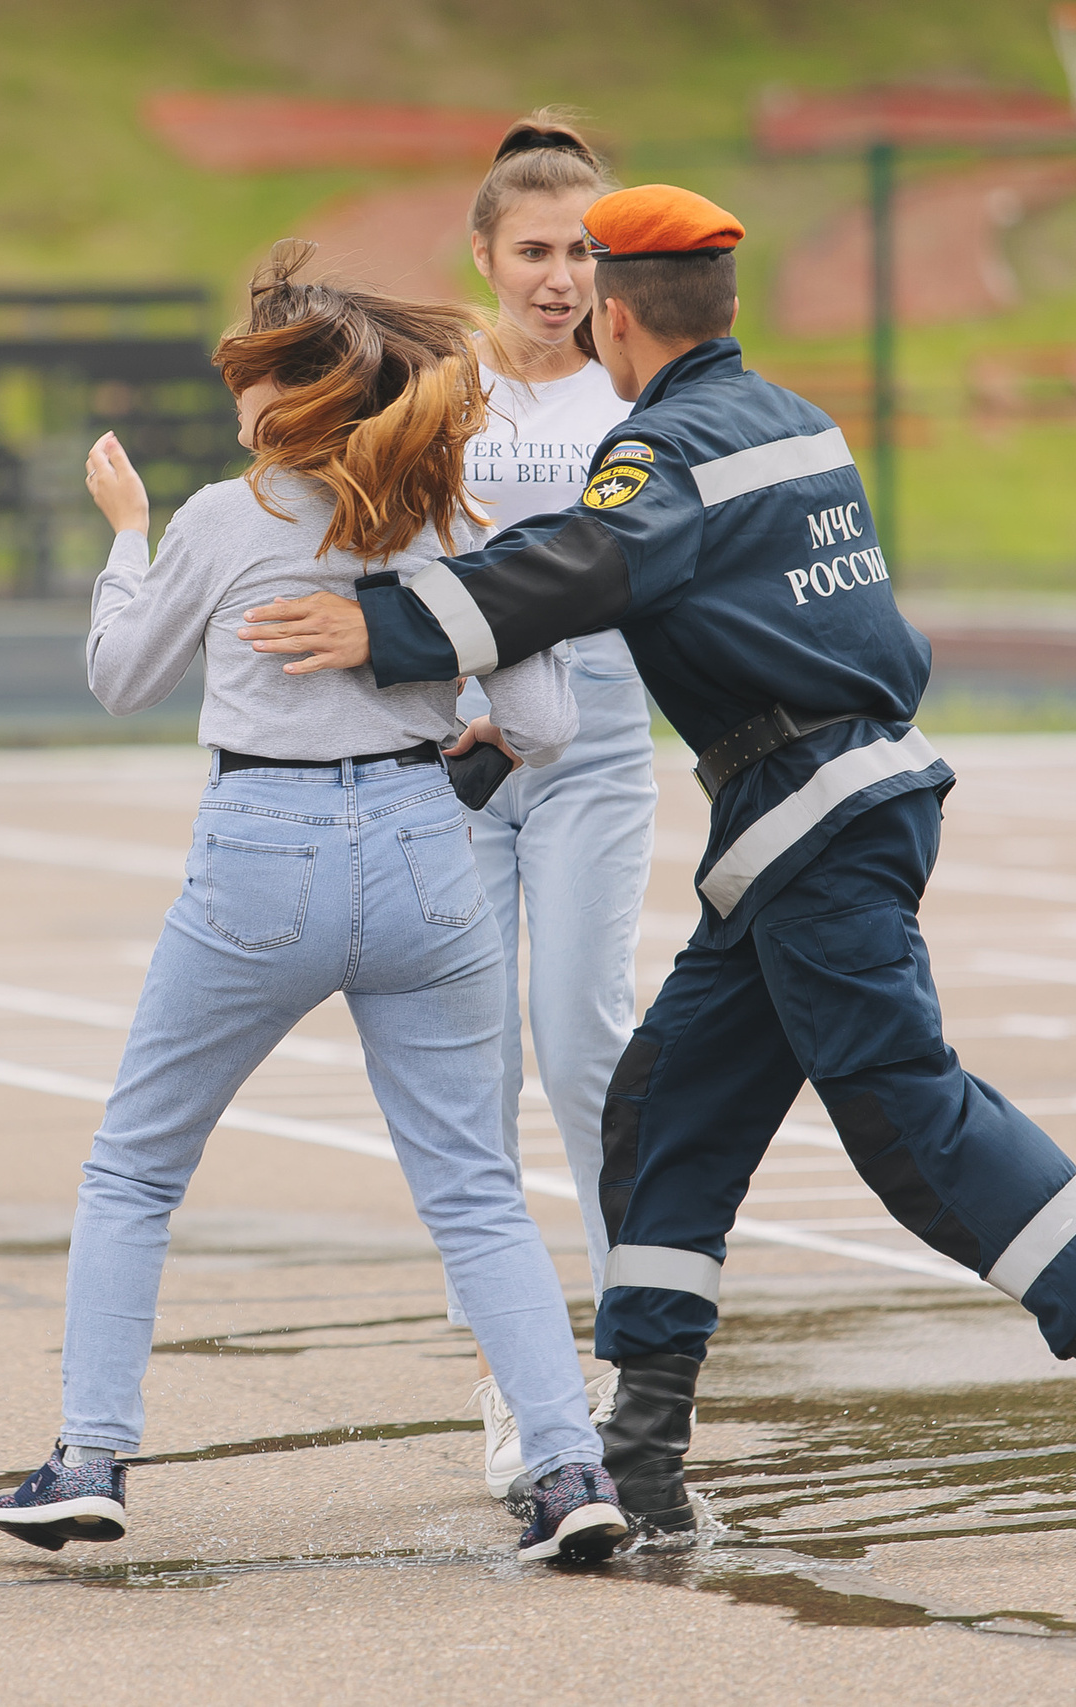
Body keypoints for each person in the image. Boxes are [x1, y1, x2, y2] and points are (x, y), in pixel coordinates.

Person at [236, 186, 1076, 1549]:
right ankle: (645, 1453)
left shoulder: (654, 449)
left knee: (908, 1116)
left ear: (614, 313)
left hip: (813, 811)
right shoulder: (791, 419)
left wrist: (384, 622)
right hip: (812, 809)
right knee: (666, 1106)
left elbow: (582, 566)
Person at [0, 242, 628, 1566]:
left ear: (286, 397)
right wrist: (469, 753)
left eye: (248, 379)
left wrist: (124, 537)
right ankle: (569, 1472)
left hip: (259, 853)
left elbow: (120, 673)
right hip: (424, 855)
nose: (234, 402)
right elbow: (549, 717)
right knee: (478, 1191)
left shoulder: (227, 518)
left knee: (137, 1164)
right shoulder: (455, 525)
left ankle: (90, 1456)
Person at [443, 111, 661, 1507]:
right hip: (459, 772)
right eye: (534, 248)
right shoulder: (443, 396)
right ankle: (515, 1374)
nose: (560, 274)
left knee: (584, 1044)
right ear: (484, 254)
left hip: (594, 761)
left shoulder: (636, 406)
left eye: (583, 249)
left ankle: (634, 1352)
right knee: (465, 1076)